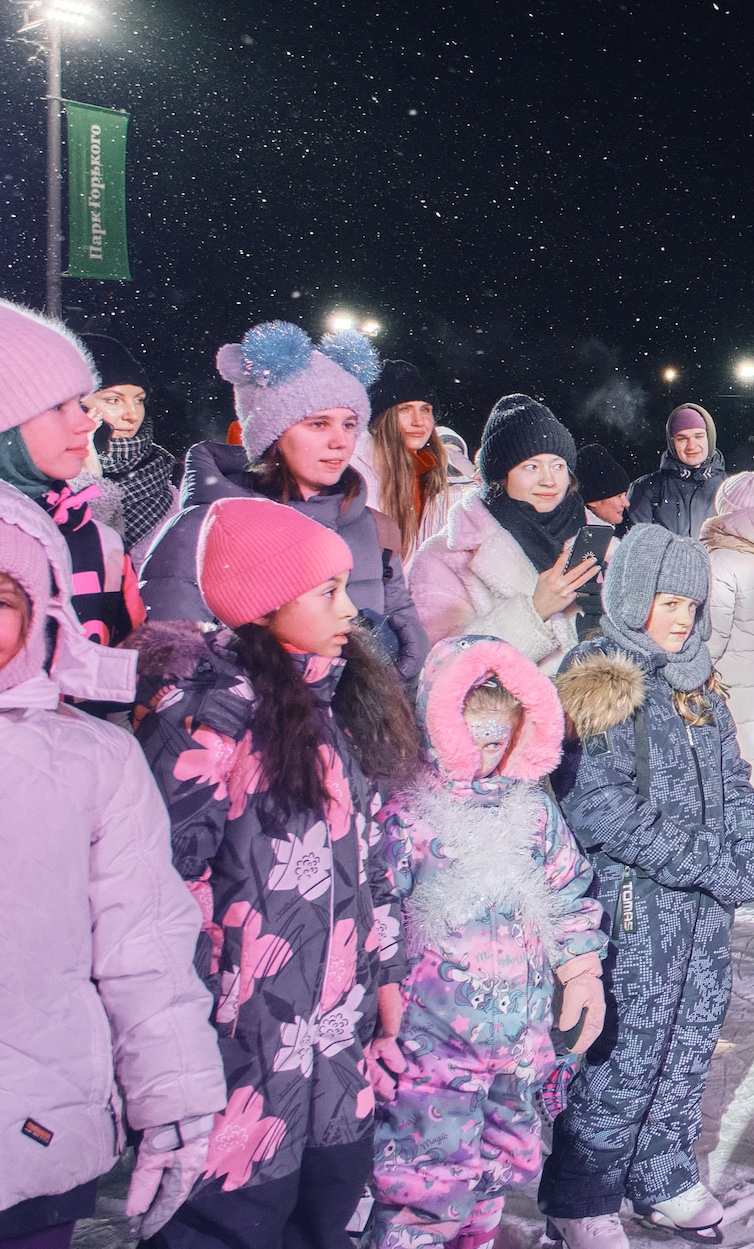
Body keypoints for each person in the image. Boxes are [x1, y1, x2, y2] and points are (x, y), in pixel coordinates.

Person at [130, 495, 425, 1249]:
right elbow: (167, 883)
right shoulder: (207, 713)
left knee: (325, 1212)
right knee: (223, 1224)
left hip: (335, 1045)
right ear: (262, 604)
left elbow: (371, 862)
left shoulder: (333, 704)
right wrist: (199, 1011)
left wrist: (385, 971)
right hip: (243, 1048)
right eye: (325, 590)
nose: (348, 608)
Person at [0, 490, 225, 1249]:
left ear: (40, 611)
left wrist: (177, 1097)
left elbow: (146, 947)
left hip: (33, 1133)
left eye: (0, 597)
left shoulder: (92, 757)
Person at [541, 525, 754, 1247]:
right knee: (628, 1047)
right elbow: (595, 802)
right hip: (635, 906)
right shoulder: (600, 673)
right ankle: (582, 1195)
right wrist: (709, 860)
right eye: (667, 601)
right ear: (635, 595)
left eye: (692, 604)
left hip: (703, 915)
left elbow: (736, 781)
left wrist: (751, 847)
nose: (680, 617)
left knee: (691, 1035)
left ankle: (663, 1173)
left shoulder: (698, 681)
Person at [371, 636, 608, 1249]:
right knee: (426, 1176)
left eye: (502, 733)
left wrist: (580, 970)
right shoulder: (410, 812)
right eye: (474, 731)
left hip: (519, 1043)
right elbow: (377, 906)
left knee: (496, 1171)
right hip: (432, 1045)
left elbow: (566, 887)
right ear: (438, 724)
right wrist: (380, 1005)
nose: (488, 747)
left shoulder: (531, 811)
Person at [142, 320, 429, 678]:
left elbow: (404, 633)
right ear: (273, 435)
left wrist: (380, 675)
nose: (340, 441)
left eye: (349, 424)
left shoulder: (369, 526)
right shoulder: (201, 530)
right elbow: (172, 668)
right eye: (319, 424)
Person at [409, 395, 597, 675]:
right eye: (531, 466)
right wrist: (535, 610)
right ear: (500, 475)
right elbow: (442, 671)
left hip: (605, 715)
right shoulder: (445, 559)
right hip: (516, 716)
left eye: (558, 465)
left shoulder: (597, 540)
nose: (549, 480)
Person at [0, 303, 141, 650]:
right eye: (58, 407)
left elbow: (132, 678)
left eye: (79, 403)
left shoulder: (97, 539)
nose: (86, 423)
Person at [698, 471, 754, 796]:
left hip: (725, 678)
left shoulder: (722, 560)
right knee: (752, 751)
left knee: (726, 757)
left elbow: (712, 635)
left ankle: (735, 834)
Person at [80, 331, 178, 548]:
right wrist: (89, 475)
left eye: (139, 400)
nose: (132, 415)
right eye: (114, 400)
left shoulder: (167, 476)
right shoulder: (40, 482)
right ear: (75, 403)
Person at [359, 359, 462, 558]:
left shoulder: (435, 475)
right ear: (382, 418)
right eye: (404, 409)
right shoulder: (359, 474)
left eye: (425, 409)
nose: (418, 421)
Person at [623, 404, 726, 537]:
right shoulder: (645, 489)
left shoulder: (731, 488)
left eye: (698, 436)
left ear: (710, 438)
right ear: (672, 443)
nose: (691, 446)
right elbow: (639, 548)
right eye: (682, 438)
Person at [572, 443, 635, 640]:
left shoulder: (611, 538)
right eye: (618, 496)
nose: (626, 503)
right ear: (593, 500)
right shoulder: (588, 544)